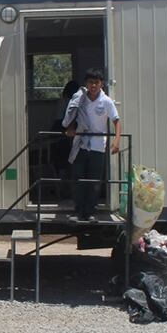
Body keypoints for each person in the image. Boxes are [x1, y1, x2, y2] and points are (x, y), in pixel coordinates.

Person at [62, 69, 121, 223]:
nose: (93, 85)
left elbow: (116, 121)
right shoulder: (80, 99)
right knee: (78, 179)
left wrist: (116, 141)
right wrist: (70, 130)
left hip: (97, 146)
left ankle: (90, 212)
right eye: (90, 82)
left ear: (101, 84)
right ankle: (79, 211)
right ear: (86, 84)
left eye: (96, 82)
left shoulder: (106, 101)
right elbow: (72, 116)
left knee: (94, 181)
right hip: (81, 144)